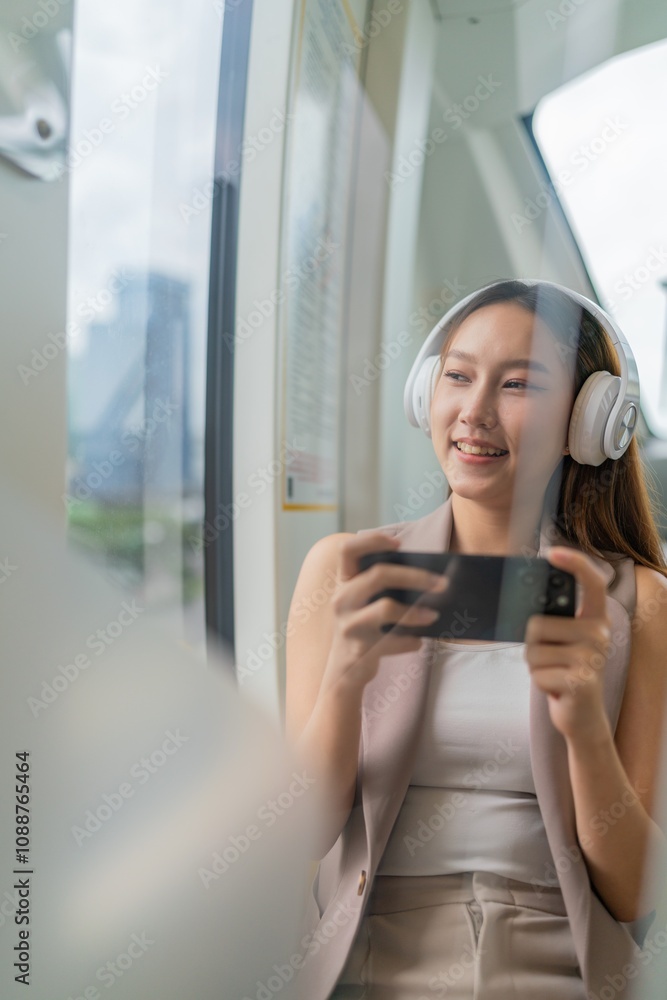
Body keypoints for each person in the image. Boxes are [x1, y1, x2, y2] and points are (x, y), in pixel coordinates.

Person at [285, 279, 667, 1000]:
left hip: (559, 962)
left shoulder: (638, 602)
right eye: (457, 376)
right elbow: (296, 842)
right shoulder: (342, 571)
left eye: (517, 384)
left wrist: (583, 724)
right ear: (426, 393)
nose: (474, 412)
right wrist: (342, 685)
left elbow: (633, 893)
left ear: (586, 422)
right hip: (372, 956)